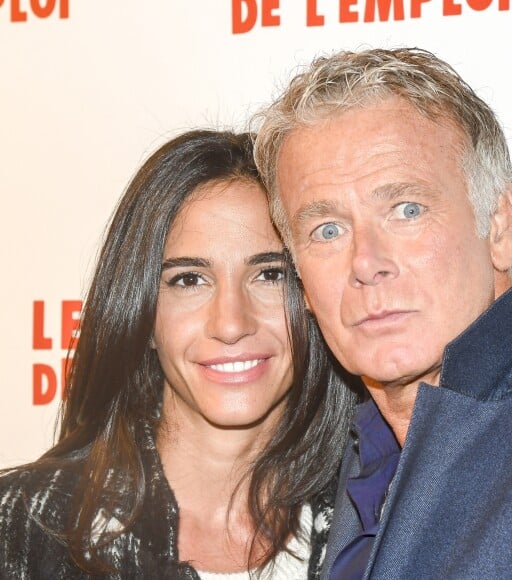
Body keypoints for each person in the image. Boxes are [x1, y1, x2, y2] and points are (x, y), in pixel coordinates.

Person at [253, 48, 512, 579]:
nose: (366, 263)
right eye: (327, 230)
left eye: (407, 209)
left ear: (498, 225)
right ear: (303, 283)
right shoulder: (333, 480)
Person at [0, 130, 360, 579]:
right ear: (143, 314)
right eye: (189, 280)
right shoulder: (20, 529)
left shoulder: (376, 524)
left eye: (269, 274)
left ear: (311, 296)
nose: (231, 323)